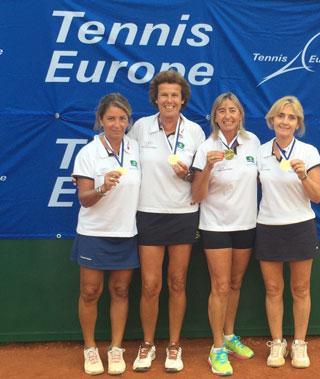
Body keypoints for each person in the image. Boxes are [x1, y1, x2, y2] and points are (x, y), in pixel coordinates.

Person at [128, 70, 205, 373]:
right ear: (156, 99)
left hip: (183, 215)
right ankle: (147, 344)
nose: (169, 100)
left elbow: (199, 178)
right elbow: (129, 167)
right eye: (164, 95)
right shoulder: (140, 128)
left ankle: (174, 345)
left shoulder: (196, 132)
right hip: (148, 213)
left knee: (176, 282)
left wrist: (186, 174)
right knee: (150, 284)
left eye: (175, 95)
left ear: (183, 99)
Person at [71, 93, 141, 375]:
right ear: (101, 120)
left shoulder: (135, 148)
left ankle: (115, 348)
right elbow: (84, 198)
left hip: (126, 232)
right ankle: (90, 349)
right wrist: (101, 187)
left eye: (122, 118)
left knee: (121, 291)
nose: (117, 123)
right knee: (90, 292)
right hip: (93, 232)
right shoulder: (89, 152)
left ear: (128, 121)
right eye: (111, 118)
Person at [192, 92, 259, 376]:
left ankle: (229, 335)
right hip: (215, 226)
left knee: (234, 283)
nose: (228, 116)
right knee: (220, 286)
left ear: (240, 115)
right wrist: (208, 166)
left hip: (246, 225)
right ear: (215, 117)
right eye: (222, 111)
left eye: (233, 110)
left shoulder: (252, 142)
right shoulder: (205, 147)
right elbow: (196, 194)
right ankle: (217, 348)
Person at [255, 96, 320, 369]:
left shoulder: (308, 152)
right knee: (273, 289)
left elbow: (317, 196)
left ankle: (299, 343)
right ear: (272, 120)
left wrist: (303, 176)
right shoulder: (259, 152)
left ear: (298, 124)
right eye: (281, 116)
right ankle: (277, 342)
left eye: (291, 117)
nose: (285, 121)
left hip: (300, 226)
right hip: (268, 226)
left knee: (300, 288)